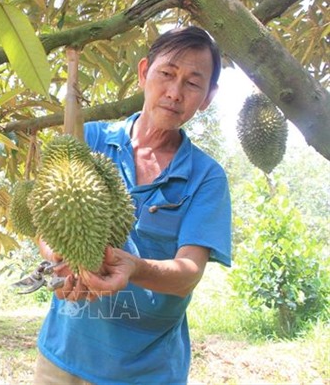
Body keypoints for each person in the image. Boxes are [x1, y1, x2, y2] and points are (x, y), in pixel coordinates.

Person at [34, 26, 232, 384]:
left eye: (192, 83)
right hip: (63, 359)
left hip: (148, 372)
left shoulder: (207, 177)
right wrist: (60, 261)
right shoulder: (88, 140)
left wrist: (134, 268)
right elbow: (46, 221)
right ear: (144, 73)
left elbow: (189, 273)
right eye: (167, 74)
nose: (174, 92)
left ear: (207, 97)